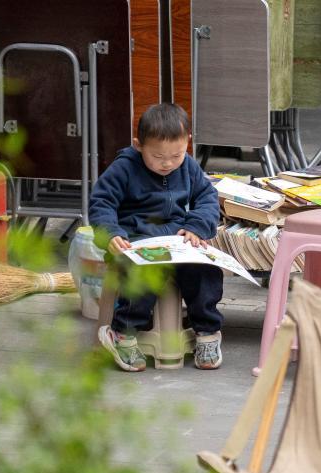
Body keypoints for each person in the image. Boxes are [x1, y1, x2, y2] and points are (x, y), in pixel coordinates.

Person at [89, 103, 223, 372]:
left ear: (188, 143)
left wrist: (197, 225)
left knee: (205, 269)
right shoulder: (124, 167)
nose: (167, 163)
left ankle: (207, 332)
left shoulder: (188, 166)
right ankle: (123, 333)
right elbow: (101, 202)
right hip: (135, 239)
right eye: (158, 156)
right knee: (144, 273)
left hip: (177, 238)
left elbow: (208, 197)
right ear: (139, 145)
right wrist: (111, 233)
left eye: (176, 155)